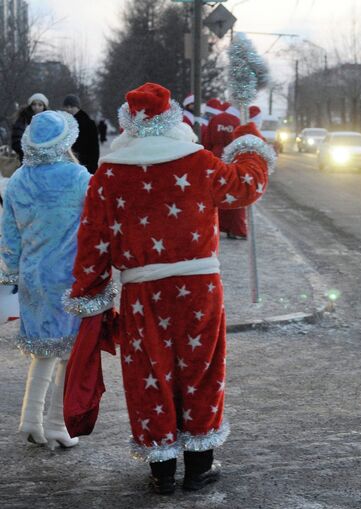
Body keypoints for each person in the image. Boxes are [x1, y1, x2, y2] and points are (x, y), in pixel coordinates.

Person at [64, 82, 273, 494]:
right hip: (199, 287)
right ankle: (199, 466)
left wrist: (90, 292)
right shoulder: (199, 161)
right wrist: (250, 145)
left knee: (148, 374)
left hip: (143, 293)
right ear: (172, 118)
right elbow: (245, 186)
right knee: (201, 368)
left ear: (129, 123)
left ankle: (161, 471)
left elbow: (94, 239)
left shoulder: (109, 173)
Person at [0, 110, 91, 450]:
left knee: (42, 352)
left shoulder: (18, 181)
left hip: (33, 277)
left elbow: (9, 235)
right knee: (68, 352)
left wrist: (11, 270)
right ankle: (57, 424)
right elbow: (94, 226)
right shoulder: (80, 177)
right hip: (68, 276)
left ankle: (30, 420)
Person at [206, 101, 248, 239]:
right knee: (235, 191)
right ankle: (236, 228)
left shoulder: (215, 119)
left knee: (216, 193)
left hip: (216, 158)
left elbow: (207, 141)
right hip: (233, 159)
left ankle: (218, 226)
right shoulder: (237, 122)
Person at [63, 94, 100, 173]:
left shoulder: (88, 123)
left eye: (72, 106)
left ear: (78, 107)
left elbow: (94, 148)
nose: (69, 109)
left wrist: (92, 168)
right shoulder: (62, 123)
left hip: (84, 164)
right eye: (66, 106)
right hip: (66, 164)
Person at [11, 93, 48, 160]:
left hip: (45, 159)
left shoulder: (49, 121)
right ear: (30, 105)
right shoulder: (22, 120)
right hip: (25, 159)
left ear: (44, 107)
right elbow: (16, 141)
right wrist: (30, 153)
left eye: (40, 105)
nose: (37, 107)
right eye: (34, 104)